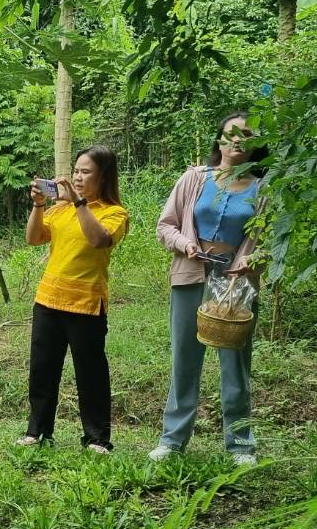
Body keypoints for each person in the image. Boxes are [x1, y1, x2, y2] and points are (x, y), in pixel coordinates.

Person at [151, 112, 266, 466]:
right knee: (184, 358)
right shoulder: (194, 179)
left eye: (245, 135)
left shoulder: (265, 188)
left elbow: (273, 238)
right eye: (230, 134)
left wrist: (254, 260)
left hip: (235, 285)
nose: (236, 141)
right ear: (219, 140)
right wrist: (185, 243)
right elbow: (165, 225)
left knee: (236, 363)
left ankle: (241, 444)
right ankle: (172, 440)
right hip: (191, 274)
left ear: (255, 145)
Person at [19, 145, 129, 453]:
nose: (78, 178)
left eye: (86, 172)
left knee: (90, 373)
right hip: (48, 300)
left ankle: (97, 439)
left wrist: (79, 203)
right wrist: (40, 205)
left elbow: (98, 240)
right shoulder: (59, 209)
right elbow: (33, 238)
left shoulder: (114, 213)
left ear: (103, 176)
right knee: (42, 370)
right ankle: (38, 432)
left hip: (86, 304)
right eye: (76, 171)